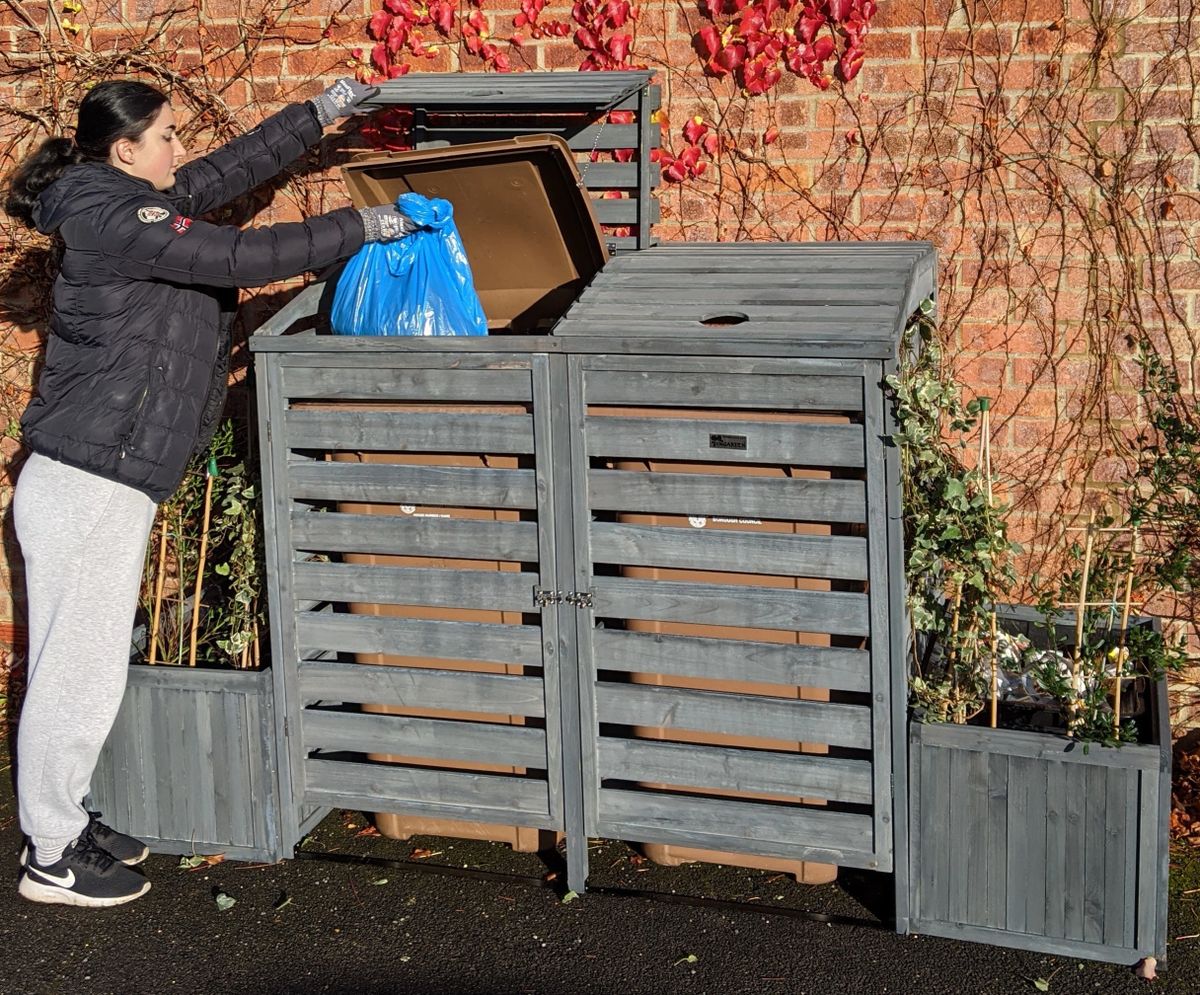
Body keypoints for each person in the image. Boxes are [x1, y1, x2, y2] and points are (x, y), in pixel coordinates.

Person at [3, 76, 414, 907]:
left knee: (82, 663)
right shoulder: (120, 219)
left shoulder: (124, 195)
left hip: (97, 476)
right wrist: (363, 226)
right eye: (166, 136)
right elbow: (239, 255)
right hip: (89, 483)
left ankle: (65, 816)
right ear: (125, 148)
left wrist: (320, 113)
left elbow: (226, 171)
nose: (178, 149)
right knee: (74, 674)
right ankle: (49, 853)